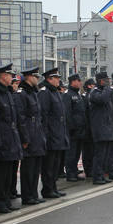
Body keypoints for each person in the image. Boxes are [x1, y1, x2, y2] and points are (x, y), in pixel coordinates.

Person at [0, 63, 22, 213]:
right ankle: (0, 202)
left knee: (9, 173)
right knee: (0, 174)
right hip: (1, 138)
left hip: (11, 137)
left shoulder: (7, 93)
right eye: (9, 75)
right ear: (3, 76)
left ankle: (6, 200)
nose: (12, 78)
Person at [16, 67, 47, 205]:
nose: (37, 79)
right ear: (29, 77)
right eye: (35, 77)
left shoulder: (33, 93)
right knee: (28, 168)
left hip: (37, 133)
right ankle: (27, 195)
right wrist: (25, 137)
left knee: (35, 167)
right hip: (29, 133)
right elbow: (21, 118)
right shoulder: (22, 94)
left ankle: (34, 193)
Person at [37, 67, 69, 198]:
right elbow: (43, 115)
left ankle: (53, 187)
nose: (58, 80)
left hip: (58, 132)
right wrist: (45, 135)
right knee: (48, 165)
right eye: (56, 78)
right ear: (49, 79)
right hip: (51, 134)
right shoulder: (45, 93)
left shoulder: (54, 92)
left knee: (55, 164)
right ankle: (47, 189)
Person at [88, 71, 113, 184]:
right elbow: (102, 99)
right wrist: (108, 89)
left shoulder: (103, 91)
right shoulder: (94, 92)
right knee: (99, 155)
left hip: (106, 128)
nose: (108, 82)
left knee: (105, 155)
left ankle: (102, 175)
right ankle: (97, 177)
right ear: (100, 81)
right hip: (99, 129)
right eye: (106, 80)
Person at [63, 73, 87, 182]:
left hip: (80, 129)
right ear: (73, 81)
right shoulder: (67, 94)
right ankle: (70, 173)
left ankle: (74, 170)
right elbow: (67, 113)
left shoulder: (78, 95)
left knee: (77, 153)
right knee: (71, 153)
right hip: (72, 130)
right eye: (78, 81)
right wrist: (71, 128)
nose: (80, 83)